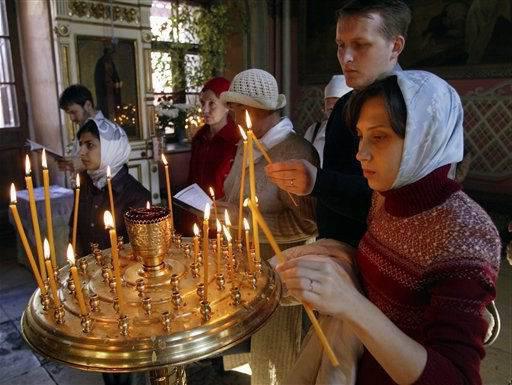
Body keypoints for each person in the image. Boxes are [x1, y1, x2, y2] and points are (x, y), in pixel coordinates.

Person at [277, 71, 501, 385]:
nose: (360, 153)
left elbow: (456, 377)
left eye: (379, 136)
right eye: (360, 135)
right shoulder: (385, 198)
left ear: (425, 136)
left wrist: (351, 303)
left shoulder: (465, 233)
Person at [265, 0, 411, 247]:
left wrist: (318, 182)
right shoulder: (344, 105)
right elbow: (338, 175)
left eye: (361, 45)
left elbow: (400, 201)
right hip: (336, 244)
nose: (346, 57)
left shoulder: (414, 109)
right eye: (341, 45)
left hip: (385, 250)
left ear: (395, 46)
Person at [219, 68, 318, 385]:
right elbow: (235, 196)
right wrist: (221, 208)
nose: (231, 114)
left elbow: (306, 225)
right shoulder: (246, 144)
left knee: (275, 367)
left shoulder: (294, 153)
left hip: (279, 280)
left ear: (251, 109)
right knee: (249, 364)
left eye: (235, 107)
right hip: (245, 270)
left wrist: (241, 219)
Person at [187, 77, 238, 198]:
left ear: (227, 106)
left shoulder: (236, 141)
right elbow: (191, 179)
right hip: (196, 208)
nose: (205, 110)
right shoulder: (199, 138)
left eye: (212, 103)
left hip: (223, 210)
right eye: (202, 103)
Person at [58, 84, 109, 172]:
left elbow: (117, 160)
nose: (71, 118)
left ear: (88, 105)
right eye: (69, 113)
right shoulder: (85, 127)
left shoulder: (107, 129)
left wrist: (83, 164)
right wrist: (70, 164)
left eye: (74, 112)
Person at [303, 75, 352, 167]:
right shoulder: (314, 131)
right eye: (330, 110)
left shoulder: (358, 133)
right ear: (324, 110)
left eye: (339, 109)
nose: (335, 114)